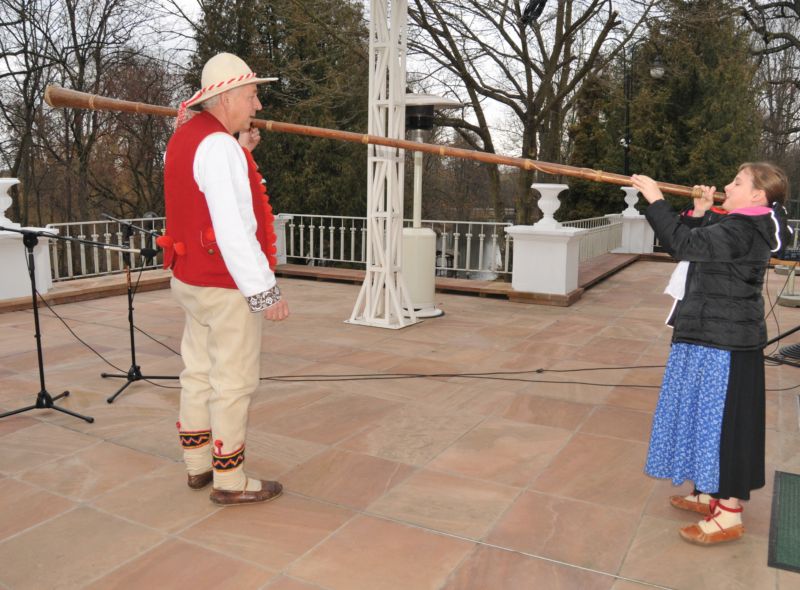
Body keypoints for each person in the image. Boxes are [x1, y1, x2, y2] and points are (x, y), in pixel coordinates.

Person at [631, 163, 791, 545]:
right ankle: (708, 490)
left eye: (737, 183)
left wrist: (656, 200)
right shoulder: (738, 224)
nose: (726, 187)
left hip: (726, 345)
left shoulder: (745, 228)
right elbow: (700, 240)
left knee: (725, 427)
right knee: (701, 419)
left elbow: (682, 245)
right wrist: (700, 210)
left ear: (757, 195)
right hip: (711, 337)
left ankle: (729, 513)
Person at [159, 52, 289, 506]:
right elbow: (233, 229)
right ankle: (230, 480)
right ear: (228, 97)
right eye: (251, 95)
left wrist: (241, 149)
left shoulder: (186, 138)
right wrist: (264, 291)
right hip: (224, 284)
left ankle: (197, 464)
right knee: (233, 383)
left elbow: (204, 191)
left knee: (197, 372)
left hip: (190, 279)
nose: (257, 105)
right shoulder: (218, 147)